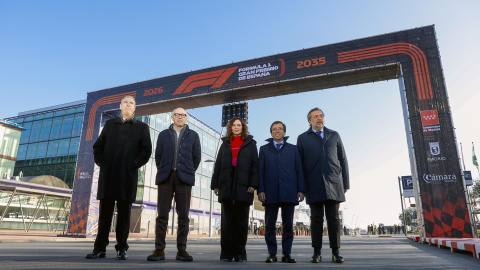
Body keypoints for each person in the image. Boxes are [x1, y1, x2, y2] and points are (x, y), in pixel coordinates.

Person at [86, 95, 152, 260]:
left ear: (134, 108)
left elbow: (146, 151)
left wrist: (133, 164)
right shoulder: (109, 125)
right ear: (120, 106)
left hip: (127, 176)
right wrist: (102, 162)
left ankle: (121, 248)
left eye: (131, 103)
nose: (128, 105)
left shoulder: (142, 127)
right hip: (108, 176)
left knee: (124, 215)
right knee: (105, 215)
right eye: (125, 103)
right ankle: (99, 248)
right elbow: (98, 146)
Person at [147, 108, 201, 262]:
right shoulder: (163, 134)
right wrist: (165, 169)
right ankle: (159, 250)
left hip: (184, 179)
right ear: (172, 117)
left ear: (186, 118)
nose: (180, 117)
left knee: (183, 216)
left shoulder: (194, 135)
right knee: (162, 215)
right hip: (166, 178)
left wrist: (187, 170)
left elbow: (196, 157)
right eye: (177, 114)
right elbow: (158, 155)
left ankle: (182, 250)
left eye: (183, 115)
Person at [297, 107, 349, 264]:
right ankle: (316, 253)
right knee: (316, 219)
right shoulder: (302, 138)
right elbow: (299, 165)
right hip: (313, 184)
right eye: (315, 116)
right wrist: (301, 187)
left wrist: (345, 183)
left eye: (321, 116)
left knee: (333, 219)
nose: (319, 119)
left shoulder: (334, 135)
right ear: (310, 121)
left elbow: (343, 160)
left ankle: (336, 252)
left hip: (334, 183)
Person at [211, 117, 259, 262]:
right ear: (230, 128)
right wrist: (215, 185)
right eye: (234, 125)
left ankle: (239, 254)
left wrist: (253, 185)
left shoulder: (250, 144)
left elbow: (255, 166)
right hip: (227, 184)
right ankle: (226, 254)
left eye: (239, 125)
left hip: (243, 185)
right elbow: (218, 165)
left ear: (243, 127)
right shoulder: (224, 143)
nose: (236, 127)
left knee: (241, 222)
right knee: (227, 223)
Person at [258, 121, 305, 263]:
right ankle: (272, 254)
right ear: (271, 132)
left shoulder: (293, 149)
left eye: (280, 129)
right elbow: (260, 172)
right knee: (270, 225)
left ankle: (287, 253)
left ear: (284, 132)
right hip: (270, 192)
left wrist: (301, 190)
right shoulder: (264, 149)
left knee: (288, 225)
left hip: (289, 191)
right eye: (274, 129)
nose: (277, 131)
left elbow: (299, 170)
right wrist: (261, 190)